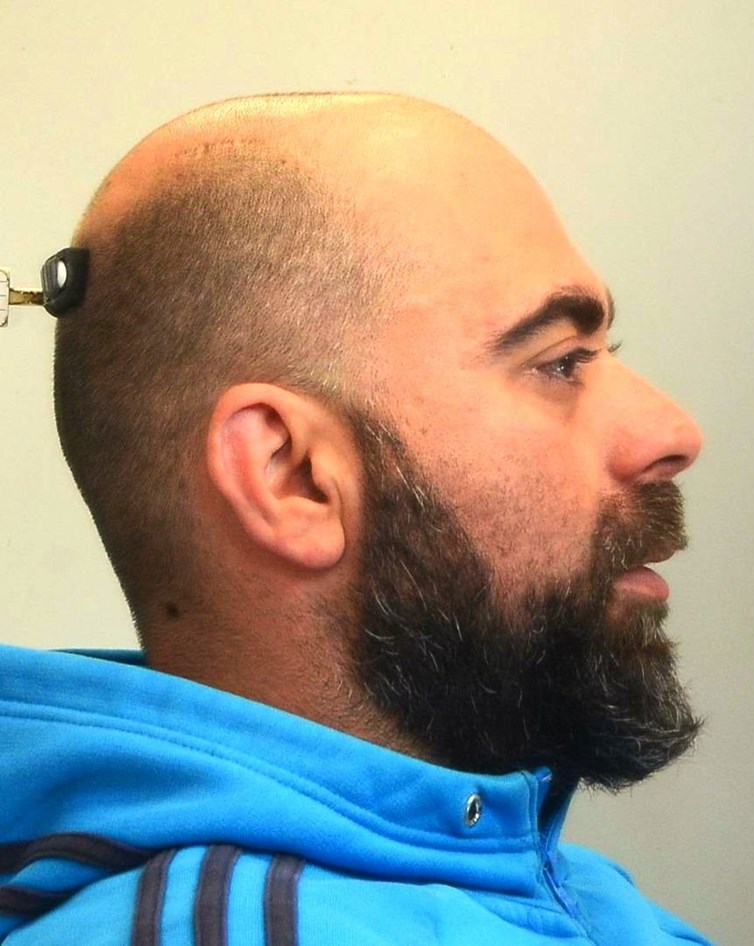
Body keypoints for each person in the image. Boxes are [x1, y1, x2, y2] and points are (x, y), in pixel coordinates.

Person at [0, 94, 710, 944]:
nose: (673, 433)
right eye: (560, 364)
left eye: (604, 354)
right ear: (292, 477)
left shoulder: (554, 884)